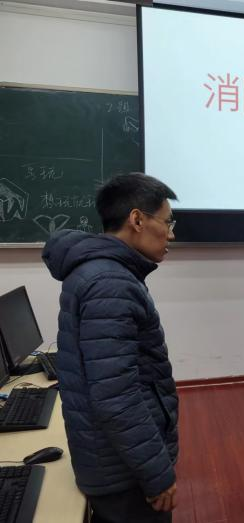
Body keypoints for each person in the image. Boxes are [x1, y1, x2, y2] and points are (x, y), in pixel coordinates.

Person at [42, 172, 179, 523]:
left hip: (109, 459)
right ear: (137, 220)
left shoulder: (99, 271)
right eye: (167, 222)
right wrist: (156, 472)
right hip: (122, 474)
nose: (171, 234)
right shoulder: (110, 283)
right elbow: (117, 397)